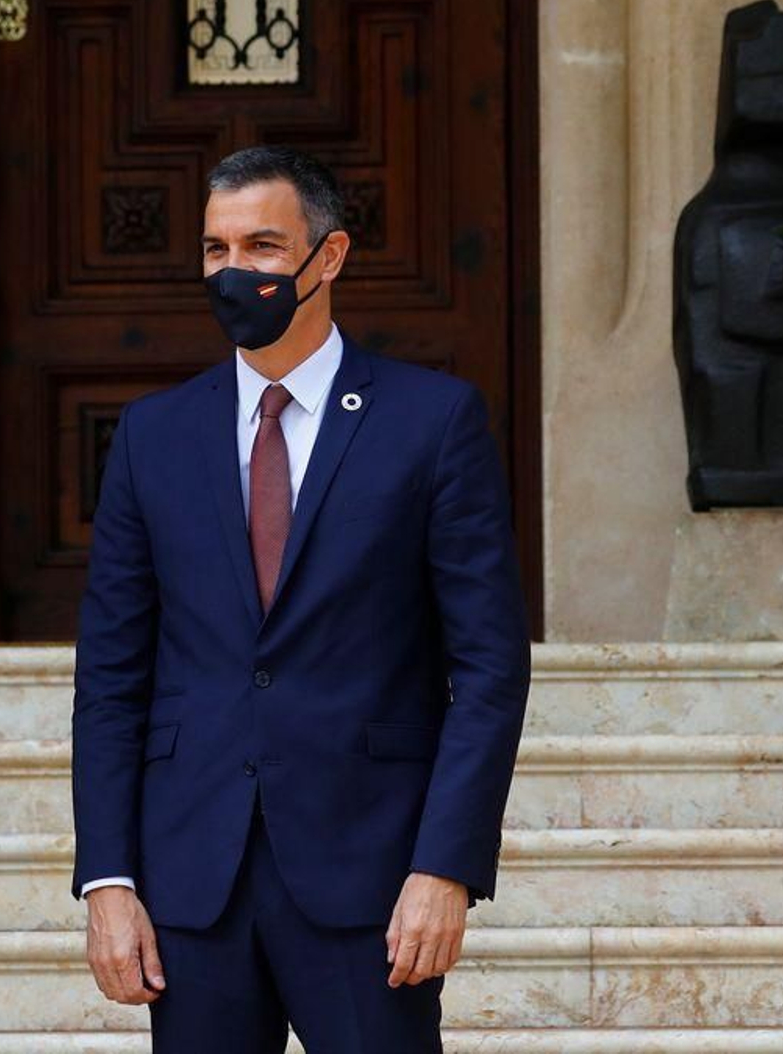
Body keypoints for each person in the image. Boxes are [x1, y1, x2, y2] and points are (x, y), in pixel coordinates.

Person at [71, 145, 531, 1052]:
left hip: (371, 881)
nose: (234, 271)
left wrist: (446, 865)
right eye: (215, 249)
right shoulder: (152, 436)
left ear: (329, 258)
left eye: (264, 247)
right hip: (193, 883)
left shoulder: (432, 424)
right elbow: (113, 678)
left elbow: (486, 668)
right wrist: (108, 880)